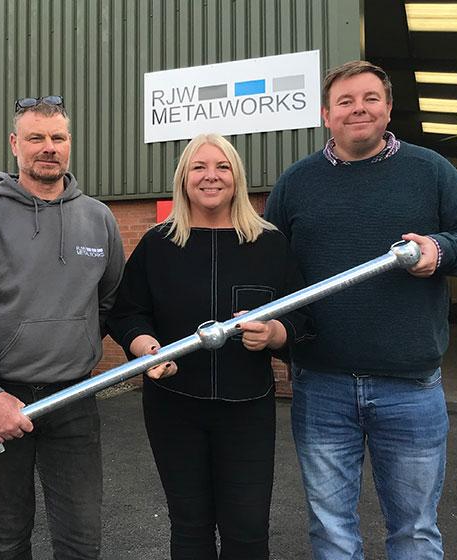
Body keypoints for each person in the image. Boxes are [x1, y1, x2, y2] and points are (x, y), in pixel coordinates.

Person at [265, 60, 457, 559]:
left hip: (410, 386)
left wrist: (439, 251)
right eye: (345, 101)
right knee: (331, 531)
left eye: (370, 98)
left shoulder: (430, 170)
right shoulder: (295, 183)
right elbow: (272, 274)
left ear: (388, 108)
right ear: (326, 115)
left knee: (414, 531)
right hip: (321, 385)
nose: (358, 109)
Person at [107, 133, 312, 560]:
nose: (210, 176)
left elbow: (303, 314)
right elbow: (127, 312)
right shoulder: (159, 245)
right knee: (190, 528)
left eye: (221, 167)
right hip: (173, 408)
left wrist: (276, 333)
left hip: (247, 408)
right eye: (199, 168)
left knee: (248, 530)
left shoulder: (270, 244)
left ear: (236, 177)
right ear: (183, 179)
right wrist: (145, 347)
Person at [0, 95, 124, 560]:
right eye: (36, 138)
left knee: (81, 538)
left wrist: (75, 340)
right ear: (15, 145)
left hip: (74, 399)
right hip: (3, 400)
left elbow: (109, 300)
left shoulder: (98, 218)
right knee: (7, 535)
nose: (48, 147)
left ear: (69, 144)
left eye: (57, 137)